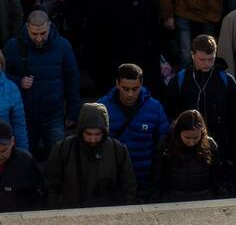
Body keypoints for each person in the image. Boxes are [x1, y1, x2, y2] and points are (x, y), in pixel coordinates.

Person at [3, 9, 80, 162]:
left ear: (50, 26)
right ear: (27, 28)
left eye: (43, 33)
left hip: (54, 115)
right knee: (23, 161)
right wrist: (19, 82)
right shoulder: (13, 46)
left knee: (59, 160)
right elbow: (0, 76)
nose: (39, 38)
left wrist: (73, 112)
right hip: (24, 116)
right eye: (34, 34)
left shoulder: (63, 46)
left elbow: (72, 79)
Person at [165, 34, 236, 183]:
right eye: (202, 60)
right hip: (187, 143)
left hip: (219, 143)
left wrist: (234, 149)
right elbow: (170, 112)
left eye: (211, 59)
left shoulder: (226, 80)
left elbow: (235, 118)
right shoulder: (179, 80)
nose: (207, 64)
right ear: (192, 55)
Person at [44, 102, 138, 209]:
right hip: (71, 211)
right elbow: (51, 186)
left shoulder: (118, 150)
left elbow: (129, 188)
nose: (93, 139)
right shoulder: (63, 149)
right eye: (88, 134)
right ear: (81, 130)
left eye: (97, 134)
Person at [98, 63, 170, 192]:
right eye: (125, 89)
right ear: (117, 84)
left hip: (146, 177)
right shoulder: (102, 107)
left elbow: (164, 142)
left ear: (141, 84)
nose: (130, 94)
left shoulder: (155, 108)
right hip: (113, 177)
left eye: (135, 89)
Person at [149, 109, 224, 202]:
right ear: (179, 133)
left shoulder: (210, 146)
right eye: (187, 137)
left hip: (203, 200)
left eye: (196, 138)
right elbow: (156, 179)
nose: (191, 142)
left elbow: (217, 180)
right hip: (172, 201)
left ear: (202, 133)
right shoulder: (166, 145)